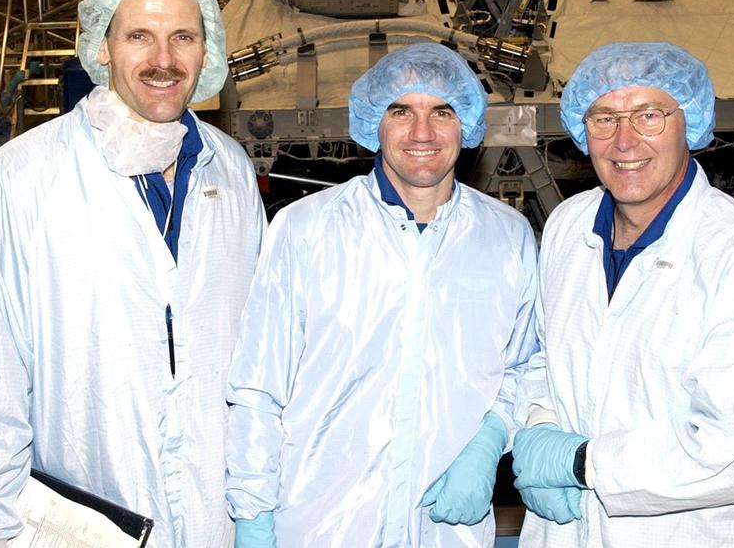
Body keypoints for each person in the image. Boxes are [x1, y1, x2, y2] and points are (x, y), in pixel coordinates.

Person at [0, 0, 266, 548]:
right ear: (103, 47)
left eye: (182, 37)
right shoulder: (26, 175)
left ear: (208, 51)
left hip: (217, 510)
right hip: (85, 511)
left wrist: (258, 502)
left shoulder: (231, 170)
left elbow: (254, 352)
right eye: (139, 35)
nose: (163, 59)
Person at [225, 42, 539, 548]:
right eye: (401, 111)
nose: (422, 132)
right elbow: (258, 388)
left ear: (469, 126)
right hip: (321, 522)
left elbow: (524, 365)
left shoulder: (506, 236)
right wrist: (253, 513)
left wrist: (489, 439)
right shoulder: (307, 229)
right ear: (374, 121)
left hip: (445, 527)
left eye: (442, 111)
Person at [512, 41, 734, 547]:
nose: (624, 142)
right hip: (569, 529)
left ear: (690, 124)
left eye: (649, 116)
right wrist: (539, 428)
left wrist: (580, 462)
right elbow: (549, 358)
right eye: (604, 118)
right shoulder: (570, 226)